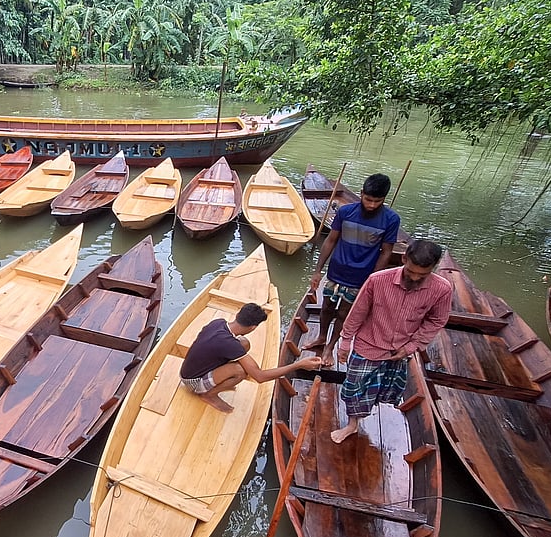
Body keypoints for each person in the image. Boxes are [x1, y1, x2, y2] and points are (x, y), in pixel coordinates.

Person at [330, 239, 452, 443]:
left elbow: (437, 320)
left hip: (401, 349)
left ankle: (367, 413)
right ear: (404, 259)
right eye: (410, 271)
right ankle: (352, 425)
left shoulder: (442, 289)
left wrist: (411, 346)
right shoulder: (377, 280)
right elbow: (357, 313)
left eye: (422, 275)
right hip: (368, 344)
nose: (414, 277)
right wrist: (344, 342)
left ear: (433, 268)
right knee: (353, 387)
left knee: (383, 389)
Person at [305, 173, 400, 367]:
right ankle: (322, 337)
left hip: (361, 277)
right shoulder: (345, 212)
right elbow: (330, 240)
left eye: (377, 201)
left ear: (384, 199)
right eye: (368, 199)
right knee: (327, 307)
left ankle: (330, 346)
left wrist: (372, 279)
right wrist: (317, 270)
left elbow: (386, 252)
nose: (372, 205)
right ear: (361, 193)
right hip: (336, 271)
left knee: (344, 314)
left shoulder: (391, 219)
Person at [180, 302, 323, 413]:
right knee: (240, 371)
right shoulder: (229, 344)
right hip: (192, 381)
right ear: (253, 327)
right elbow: (259, 377)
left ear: (238, 315)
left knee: (244, 343)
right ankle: (208, 395)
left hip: (188, 370)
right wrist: (298, 365)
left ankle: (218, 379)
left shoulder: (219, 322)